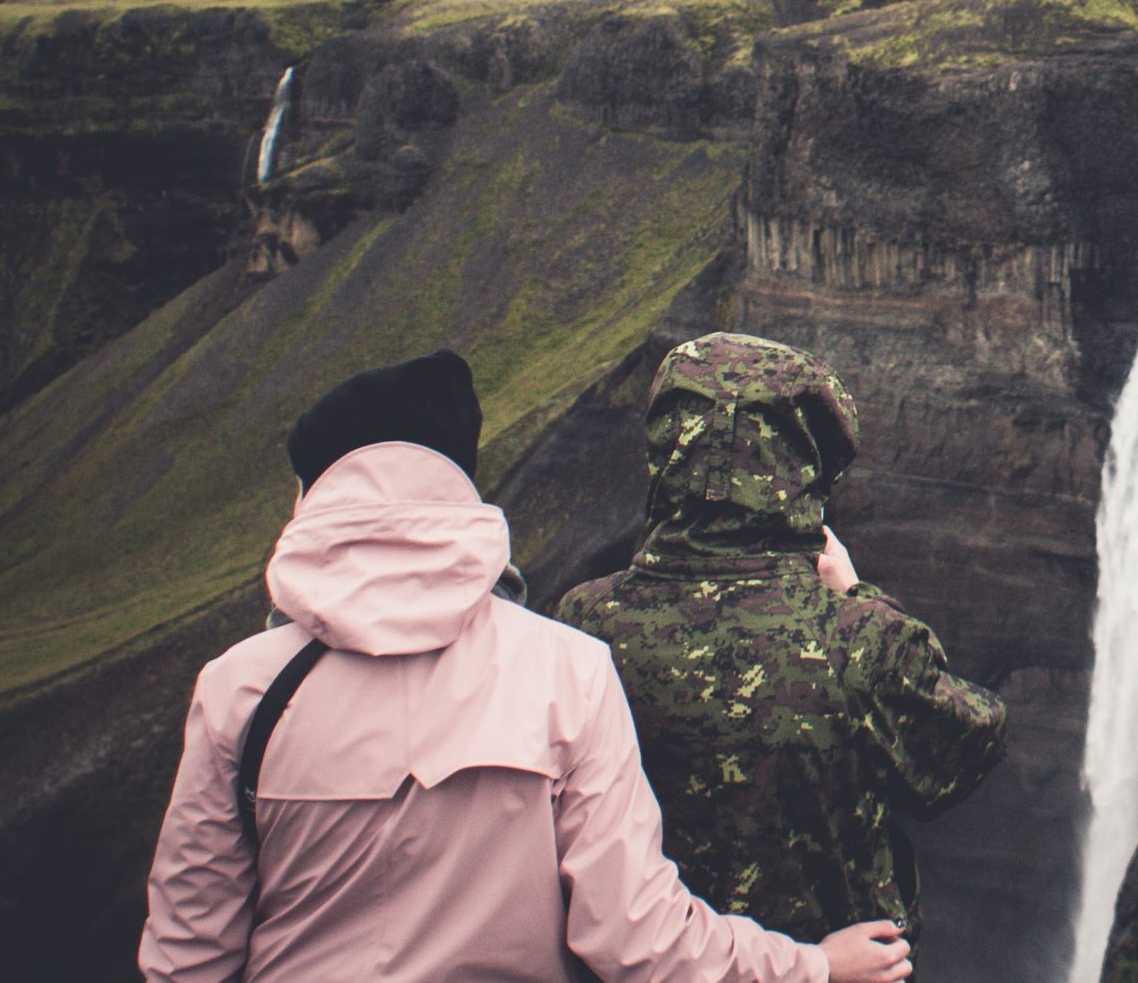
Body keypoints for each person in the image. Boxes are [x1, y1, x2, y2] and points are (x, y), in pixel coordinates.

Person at [139, 348, 915, 983]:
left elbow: (187, 959)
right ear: (457, 490)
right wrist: (811, 966)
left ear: (317, 498)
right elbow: (637, 936)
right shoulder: (565, 670)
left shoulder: (242, 688)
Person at [557, 333, 1007, 948]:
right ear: (806, 467)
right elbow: (967, 745)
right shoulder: (859, 642)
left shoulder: (584, 624)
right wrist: (856, 594)